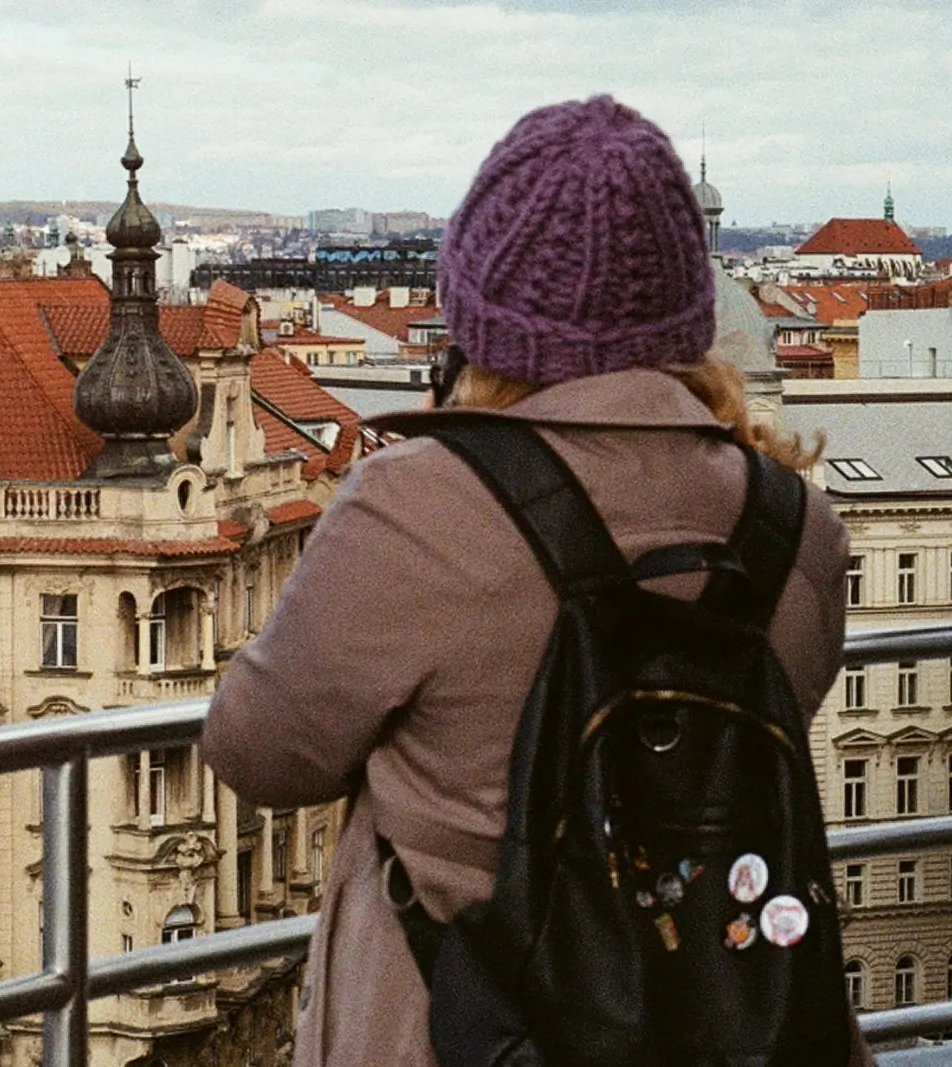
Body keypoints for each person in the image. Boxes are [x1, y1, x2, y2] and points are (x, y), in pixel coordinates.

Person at [202, 95, 854, 1066]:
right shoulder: (792, 526)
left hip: (463, 1029)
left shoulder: (420, 504)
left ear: (477, 321)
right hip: (725, 1022)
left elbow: (259, 750)